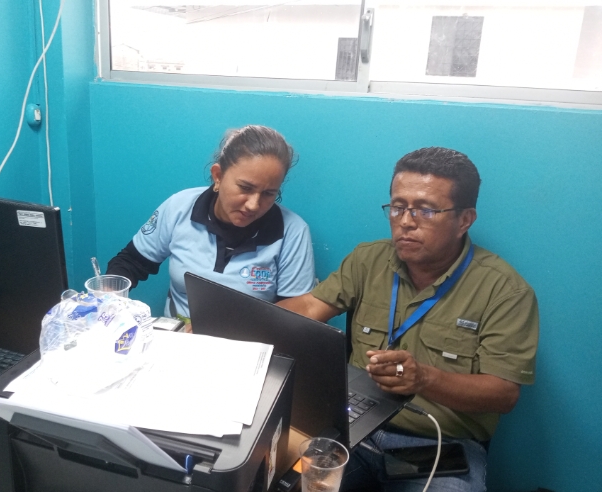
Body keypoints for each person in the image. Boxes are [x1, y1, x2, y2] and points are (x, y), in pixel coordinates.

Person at [278, 147, 539, 491]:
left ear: (464, 220)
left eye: (426, 210)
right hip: (354, 427)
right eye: (398, 207)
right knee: (276, 480)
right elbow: (311, 307)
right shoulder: (368, 260)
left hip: (438, 445)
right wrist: (239, 321)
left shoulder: (504, 291)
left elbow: (503, 394)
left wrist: (424, 379)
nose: (405, 222)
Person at [106, 125, 316, 324]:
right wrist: (108, 294)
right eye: (245, 188)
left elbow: (296, 314)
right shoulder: (179, 207)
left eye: (269, 193)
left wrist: (214, 328)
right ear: (218, 176)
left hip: (251, 342)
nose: (253, 205)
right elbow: (131, 262)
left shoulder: (293, 232)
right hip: (179, 337)